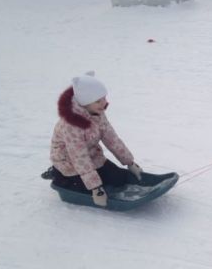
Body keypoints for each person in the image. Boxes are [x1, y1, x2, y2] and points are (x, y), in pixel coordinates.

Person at [44, 72, 143, 207]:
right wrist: (95, 188)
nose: (104, 103)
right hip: (69, 162)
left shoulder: (97, 113)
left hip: (92, 155)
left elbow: (112, 139)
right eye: (98, 101)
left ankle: (94, 178)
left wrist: (130, 162)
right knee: (84, 188)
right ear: (84, 102)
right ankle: (59, 175)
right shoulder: (71, 125)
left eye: (103, 98)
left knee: (118, 179)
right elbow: (79, 157)